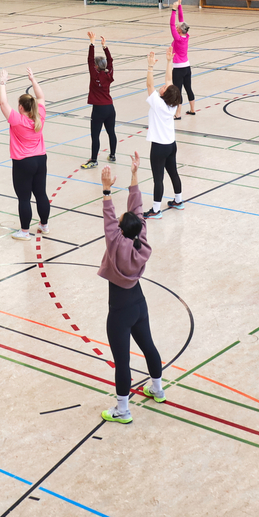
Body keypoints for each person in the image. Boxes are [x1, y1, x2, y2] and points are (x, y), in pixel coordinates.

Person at [97, 152, 166, 424]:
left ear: (121, 231)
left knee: (122, 361)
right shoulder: (141, 239)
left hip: (120, 309)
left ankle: (122, 410)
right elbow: (137, 211)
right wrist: (135, 175)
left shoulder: (116, 243)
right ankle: (158, 389)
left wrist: (106, 190)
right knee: (148, 346)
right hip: (139, 303)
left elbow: (109, 217)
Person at [0, 68, 49, 240]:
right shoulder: (40, 115)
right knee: (41, 194)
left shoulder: (17, 120)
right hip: (40, 159)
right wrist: (33, 80)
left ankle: (25, 232)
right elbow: (41, 97)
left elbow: (3, 103)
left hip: (23, 163)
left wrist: (3, 82)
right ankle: (44, 225)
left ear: (20, 107)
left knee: (24, 198)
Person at [143, 47, 183, 220]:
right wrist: (168, 62)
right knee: (173, 173)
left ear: (164, 94)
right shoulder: (172, 103)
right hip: (171, 145)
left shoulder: (158, 103)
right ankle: (178, 201)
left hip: (159, 147)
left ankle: (156, 210)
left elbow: (149, 85)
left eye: (165, 87)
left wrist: (150, 66)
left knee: (158, 179)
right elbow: (169, 79)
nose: (164, 85)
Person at [82, 31, 117, 170]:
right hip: (110, 108)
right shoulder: (109, 74)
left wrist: (92, 43)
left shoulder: (95, 75)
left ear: (96, 66)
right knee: (111, 132)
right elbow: (111, 61)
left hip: (98, 110)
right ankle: (112, 155)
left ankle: (94, 160)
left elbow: (90, 60)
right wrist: (104, 47)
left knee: (95, 135)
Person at [169, 0, 196, 119]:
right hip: (187, 67)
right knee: (188, 88)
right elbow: (181, 20)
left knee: (178, 90)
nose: (176, 27)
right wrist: (180, 3)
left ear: (179, 30)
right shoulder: (186, 36)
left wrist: (173, 10)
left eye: (177, 27)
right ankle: (192, 109)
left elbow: (171, 24)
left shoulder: (178, 38)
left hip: (178, 69)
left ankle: (178, 113)